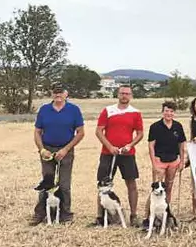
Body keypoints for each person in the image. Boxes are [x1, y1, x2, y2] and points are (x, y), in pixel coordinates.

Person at [30, 84, 85, 225]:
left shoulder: (73, 110)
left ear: (66, 94)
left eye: (61, 92)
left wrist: (66, 149)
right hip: (47, 148)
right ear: (51, 94)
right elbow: (37, 132)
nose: (58, 95)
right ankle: (40, 214)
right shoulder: (44, 110)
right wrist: (42, 149)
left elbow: (80, 132)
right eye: (55, 92)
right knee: (47, 182)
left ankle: (65, 214)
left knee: (64, 184)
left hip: (66, 149)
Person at [91, 85, 144, 227]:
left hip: (127, 154)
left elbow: (140, 133)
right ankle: (100, 217)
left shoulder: (136, 113)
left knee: (131, 183)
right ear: (118, 94)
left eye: (127, 93)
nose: (124, 96)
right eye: (122, 93)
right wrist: (109, 147)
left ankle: (133, 216)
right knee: (103, 184)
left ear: (131, 96)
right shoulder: (108, 110)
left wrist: (130, 145)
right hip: (108, 154)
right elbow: (99, 131)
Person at [145, 101, 187, 225]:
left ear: (174, 113)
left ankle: (165, 215)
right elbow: (151, 146)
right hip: (159, 161)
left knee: (168, 188)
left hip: (173, 161)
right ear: (162, 112)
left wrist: (182, 161)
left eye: (171, 111)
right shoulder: (155, 126)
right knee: (156, 190)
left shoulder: (178, 126)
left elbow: (181, 145)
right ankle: (147, 218)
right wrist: (154, 164)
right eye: (166, 111)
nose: (169, 113)